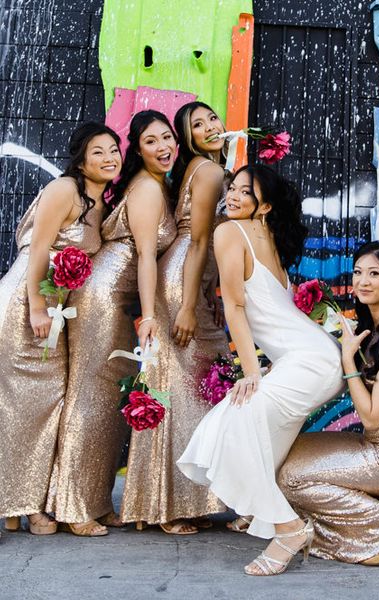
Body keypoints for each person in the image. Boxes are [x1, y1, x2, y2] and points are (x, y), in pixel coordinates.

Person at [177, 164, 344, 575]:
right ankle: (263, 515)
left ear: (264, 206)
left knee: (230, 425)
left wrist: (251, 372)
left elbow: (234, 306)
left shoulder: (228, 232)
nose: (232, 196)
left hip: (308, 360)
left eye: (244, 193)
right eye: (231, 188)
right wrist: (266, 368)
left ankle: (288, 530)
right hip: (316, 359)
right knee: (265, 435)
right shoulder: (267, 238)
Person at [50, 110, 178, 536]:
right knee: (90, 394)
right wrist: (151, 315)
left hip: (119, 297)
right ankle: (70, 505)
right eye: (151, 142)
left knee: (108, 401)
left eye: (167, 138)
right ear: (139, 151)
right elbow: (144, 255)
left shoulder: (157, 186)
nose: (163, 148)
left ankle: (96, 499)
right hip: (105, 294)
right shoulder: (147, 190)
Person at [0, 122, 121, 535]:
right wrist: (36, 306)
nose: (108, 158)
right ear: (81, 159)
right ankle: (20, 504)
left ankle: (27, 502)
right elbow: (37, 248)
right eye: (98, 152)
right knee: (21, 403)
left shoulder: (101, 201)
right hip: (25, 302)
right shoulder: (64, 190)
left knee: (48, 402)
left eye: (113, 150)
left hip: (59, 311)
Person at [279, 241, 379, 565]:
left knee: (291, 477)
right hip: (373, 444)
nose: (363, 280)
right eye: (359, 272)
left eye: (374, 273)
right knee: (288, 453)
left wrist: (348, 362)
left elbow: (374, 417)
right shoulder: (370, 327)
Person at [120, 101, 229, 534]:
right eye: (196, 126)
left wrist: (207, 293)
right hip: (182, 276)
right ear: (190, 138)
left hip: (188, 278)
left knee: (181, 383)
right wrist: (188, 303)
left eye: (211, 119)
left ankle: (162, 499)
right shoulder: (210, 172)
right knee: (186, 386)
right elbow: (200, 241)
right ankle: (173, 505)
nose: (208, 128)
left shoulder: (198, 168)